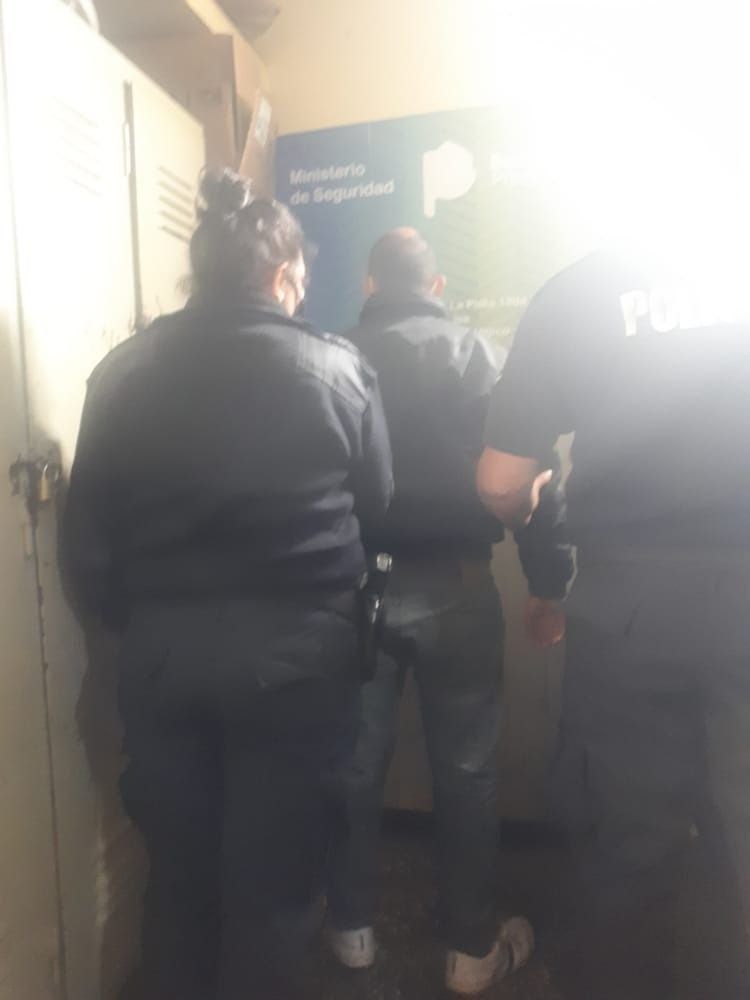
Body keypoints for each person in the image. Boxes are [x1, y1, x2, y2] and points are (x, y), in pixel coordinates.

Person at [62, 169, 393, 1000]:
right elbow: (377, 503)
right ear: (280, 277)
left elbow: (85, 544)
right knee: (273, 892)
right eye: (300, 283)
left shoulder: (121, 372)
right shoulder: (338, 369)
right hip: (297, 663)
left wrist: (140, 628)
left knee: (177, 884)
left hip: (164, 656)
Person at [477, 242, 750, 997]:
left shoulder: (583, 290)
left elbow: (500, 481)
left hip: (632, 603)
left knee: (625, 849)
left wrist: (531, 509)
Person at [327, 228, 573, 995]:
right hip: (459, 587)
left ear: (369, 285)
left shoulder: (333, 357)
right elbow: (531, 475)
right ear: (437, 287)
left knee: (355, 766)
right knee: (467, 773)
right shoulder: (477, 356)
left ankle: (352, 930)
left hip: (355, 591)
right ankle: (470, 949)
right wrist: (547, 583)